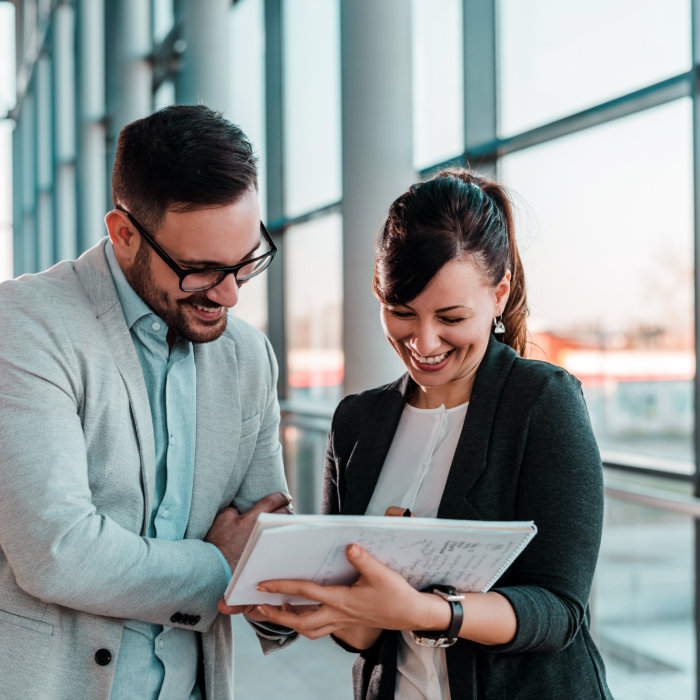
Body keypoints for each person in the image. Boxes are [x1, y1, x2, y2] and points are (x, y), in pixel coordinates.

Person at [248, 169, 613, 699]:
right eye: (401, 312)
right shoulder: (356, 423)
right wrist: (310, 605)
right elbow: (365, 631)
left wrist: (427, 611)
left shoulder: (543, 402)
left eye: (450, 317)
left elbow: (559, 612)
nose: (423, 341)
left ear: (498, 294)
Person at [0, 105, 297, 700]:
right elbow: (58, 550)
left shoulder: (247, 355)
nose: (230, 294)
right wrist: (220, 568)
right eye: (201, 270)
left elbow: (265, 537)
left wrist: (279, 587)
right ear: (124, 232)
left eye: (246, 263)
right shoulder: (26, 325)